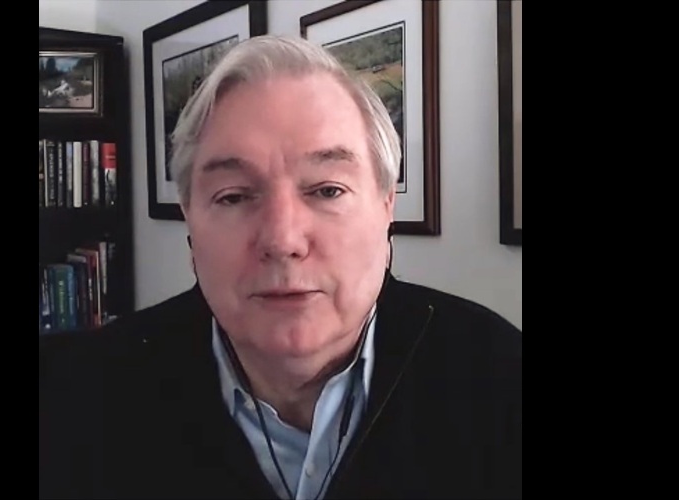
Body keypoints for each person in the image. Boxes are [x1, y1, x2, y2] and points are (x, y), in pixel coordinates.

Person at [39, 34, 522, 500]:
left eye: (327, 190)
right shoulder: (78, 396)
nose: (283, 240)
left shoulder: (499, 377)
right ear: (190, 219)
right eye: (233, 196)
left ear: (385, 207)